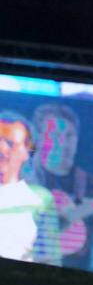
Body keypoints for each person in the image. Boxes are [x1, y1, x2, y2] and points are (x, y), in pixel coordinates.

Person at [31, 103, 93, 270]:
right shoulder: (18, 176)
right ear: (38, 138)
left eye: (69, 136)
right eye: (55, 135)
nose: (63, 143)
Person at [0, 110, 58, 264]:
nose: (2, 149)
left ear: (26, 151)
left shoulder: (40, 199)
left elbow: (51, 258)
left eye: (10, 143)